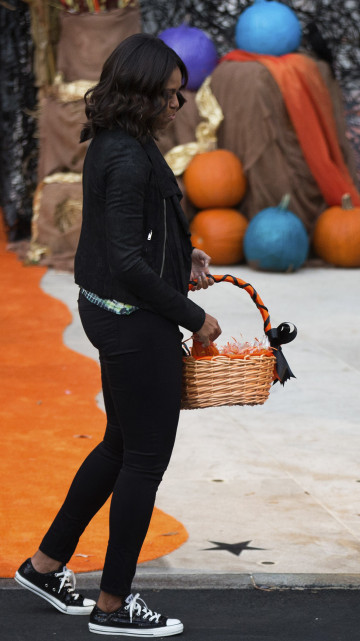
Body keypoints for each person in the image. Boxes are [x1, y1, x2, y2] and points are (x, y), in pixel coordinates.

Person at [14, 33, 221, 637]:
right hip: (132, 322)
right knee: (145, 459)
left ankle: (46, 564)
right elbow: (128, 262)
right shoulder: (128, 157)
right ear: (142, 94)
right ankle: (113, 606)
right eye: (170, 96)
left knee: (118, 446)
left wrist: (182, 256)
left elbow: (127, 239)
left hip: (114, 310)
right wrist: (193, 317)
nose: (176, 106)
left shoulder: (118, 141)